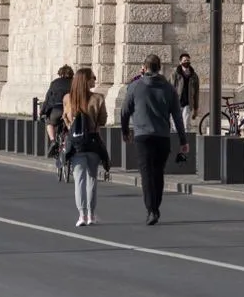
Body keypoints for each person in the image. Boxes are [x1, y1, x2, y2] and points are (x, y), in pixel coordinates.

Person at [119, 54, 188, 225]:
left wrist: (125, 131)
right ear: (160, 68)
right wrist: (183, 140)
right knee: (158, 173)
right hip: (162, 136)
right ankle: (156, 206)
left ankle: (151, 209)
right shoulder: (168, 88)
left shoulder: (135, 86)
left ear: (145, 67)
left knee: (146, 174)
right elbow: (178, 116)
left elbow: (124, 111)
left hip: (143, 136)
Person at [62, 68, 110, 226]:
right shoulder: (98, 98)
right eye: (93, 78)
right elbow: (103, 120)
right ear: (86, 80)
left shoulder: (68, 99)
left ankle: (81, 215)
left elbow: (66, 120)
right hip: (93, 143)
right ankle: (91, 215)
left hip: (76, 145)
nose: (94, 80)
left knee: (79, 181)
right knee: (92, 180)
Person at [41, 65, 74, 158]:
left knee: (49, 122)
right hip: (71, 111)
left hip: (57, 109)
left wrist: (42, 112)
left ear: (60, 74)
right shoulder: (75, 83)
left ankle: (53, 141)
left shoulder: (54, 83)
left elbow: (48, 99)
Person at [171, 53, 200, 134]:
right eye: (184, 60)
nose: (186, 62)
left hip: (187, 103)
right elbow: (170, 88)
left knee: (186, 125)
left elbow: (196, 93)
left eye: (188, 60)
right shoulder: (175, 74)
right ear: (180, 62)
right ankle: (175, 143)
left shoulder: (194, 76)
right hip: (176, 103)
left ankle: (187, 143)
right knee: (175, 126)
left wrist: (196, 109)